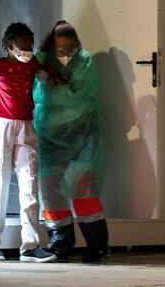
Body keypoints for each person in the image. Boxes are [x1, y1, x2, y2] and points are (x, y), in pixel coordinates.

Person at [0, 23, 56, 263]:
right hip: (0, 125)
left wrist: (50, 74)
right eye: (23, 47)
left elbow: (42, 69)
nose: (28, 51)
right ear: (10, 46)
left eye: (30, 46)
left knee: (29, 183)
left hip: (26, 125)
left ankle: (31, 245)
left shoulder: (31, 64)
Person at [33, 20, 109, 262]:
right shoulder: (42, 59)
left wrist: (55, 91)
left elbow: (80, 94)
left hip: (83, 135)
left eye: (69, 50)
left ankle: (97, 246)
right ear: (52, 45)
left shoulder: (85, 60)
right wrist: (62, 90)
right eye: (60, 51)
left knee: (83, 188)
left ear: (76, 44)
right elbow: (39, 93)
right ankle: (60, 243)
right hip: (49, 137)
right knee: (51, 189)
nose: (64, 55)